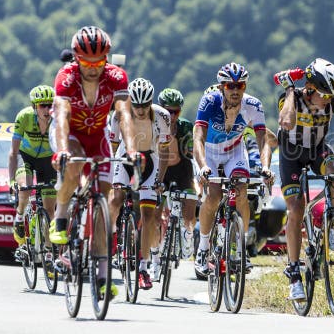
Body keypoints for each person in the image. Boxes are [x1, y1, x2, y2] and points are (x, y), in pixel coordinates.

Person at [48, 25, 131, 300]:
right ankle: (60, 218)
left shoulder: (116, 77)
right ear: (76, 58)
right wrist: (61, 150)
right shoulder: (66, 77)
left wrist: (131, 149)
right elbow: (61, 115)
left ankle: (103, 277)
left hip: (97, 136)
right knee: (72, 164)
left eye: (99, 61)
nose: (93, 68)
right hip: (69, 134)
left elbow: (123, 113)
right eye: (86, 62)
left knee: (103, 202)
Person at [275, 58, 334, 301]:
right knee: (295, 208)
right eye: (323, 93)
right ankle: (293, 274)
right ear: (310, 87)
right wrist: (290, 90)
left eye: (331, 95)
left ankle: (329, 222)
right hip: (290, 153)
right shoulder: (290, 98)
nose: (327, 99)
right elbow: (286, 122)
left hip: (316, 149)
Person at [193, 63, 273, 275]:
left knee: (241, 192)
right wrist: (202, 167)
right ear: (221, 87)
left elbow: (263, 140)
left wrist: (265, 168)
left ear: (245, 86)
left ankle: (241, 247)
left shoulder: (253, 105)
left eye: (240, 85)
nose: (235, 90)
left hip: (234, 152)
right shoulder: (210, 101)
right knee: (213, 196)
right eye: (230, 86)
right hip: (209, 152)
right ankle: (203, 248)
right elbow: (198, 138)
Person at [110, 78, 171, 289]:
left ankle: (143, 267)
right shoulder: (118, 115)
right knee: (116, 198)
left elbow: (164, 151)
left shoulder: (162, 116)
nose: (141, 109)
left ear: (151, 102)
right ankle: (112, 235)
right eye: (136, 105)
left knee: (148, 216)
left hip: (151, 161)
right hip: (124, 158)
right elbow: (113, 147)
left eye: (146, 105)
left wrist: (160, 180)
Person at [8, 85, 57, 244]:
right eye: (43, 105)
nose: (47, 109)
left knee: (50, 210)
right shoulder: (24, 117)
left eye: (51, 105)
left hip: (47, 160)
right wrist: (11, 180)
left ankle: (49, 254)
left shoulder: (57, 120)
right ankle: (20, 217)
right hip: (26, 157)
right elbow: (13, 153)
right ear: (34, 106)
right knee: (25, 188)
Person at [157, 88, 198, 260]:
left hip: (182, 170)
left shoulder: (185, 126)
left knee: (189, 211)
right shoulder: (155, 124)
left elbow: (190, 153)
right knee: (155, 212)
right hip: (162, 171)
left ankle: (188, 235)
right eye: (168, 111)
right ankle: (156, 251)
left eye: (176, 111)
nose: (172, 115)